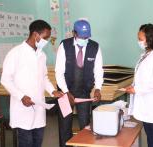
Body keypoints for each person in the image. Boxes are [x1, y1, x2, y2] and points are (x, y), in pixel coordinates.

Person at [1, 20, 63, 147]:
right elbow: (5, 79)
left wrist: (52, 91)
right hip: (23, 107)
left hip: (39, 106)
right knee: (26, 143)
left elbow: (44, 77)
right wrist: (21, 96)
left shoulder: (42, 55)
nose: (46, 41)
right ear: (35, 34)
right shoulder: (15, 53)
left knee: (37, 141)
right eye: (45, 37)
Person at [55, 19, 104, 147]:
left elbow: (98, 70)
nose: (85, 39)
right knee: (65, 125)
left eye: (87, 37)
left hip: (84, 92)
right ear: (74, 33)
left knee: (85, 126)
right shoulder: (64, 46)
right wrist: (66, 92)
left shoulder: (95, 47)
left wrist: (98, 88)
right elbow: (58, 72)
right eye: (82, 37)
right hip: (66, 93)